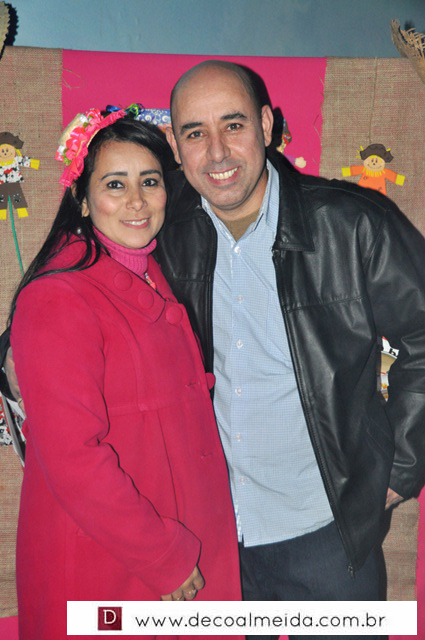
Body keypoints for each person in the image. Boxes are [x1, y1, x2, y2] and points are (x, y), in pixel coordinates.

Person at [151, 61, 425, 639]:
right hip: (211, 540)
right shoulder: (155, 224)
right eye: (196, 132)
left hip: (327, 533)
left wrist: (401, 468)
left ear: (266, 125)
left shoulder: (352, 222)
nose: (218, 152)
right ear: (174, 145)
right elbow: (73, 284)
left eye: (234, 125)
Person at [6, 106, 241, 640]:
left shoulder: (150, 273)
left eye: (149, 181)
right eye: (115, 184)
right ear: (82, 198)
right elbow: (72, 457)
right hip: (116, 563)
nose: (137, 201)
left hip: (178, 547)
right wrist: (161, 554)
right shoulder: (58, 297)